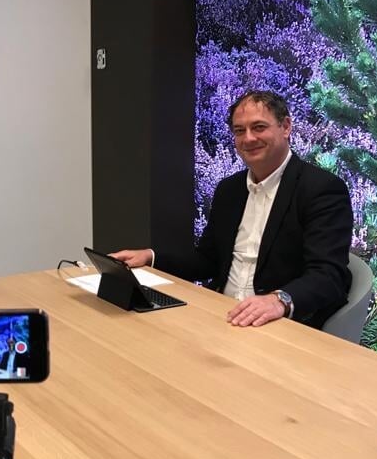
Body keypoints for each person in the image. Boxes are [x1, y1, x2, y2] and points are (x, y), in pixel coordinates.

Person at [112, 90, 353, 329]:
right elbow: (207, 260)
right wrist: (150, 257)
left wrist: (279, 300)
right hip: (221, 314)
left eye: (259, 127)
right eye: (239, 131)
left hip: (276, 324)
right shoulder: (230, 190)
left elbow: (328, 275)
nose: (248, 138)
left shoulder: (321, 189)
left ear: (286, 127)